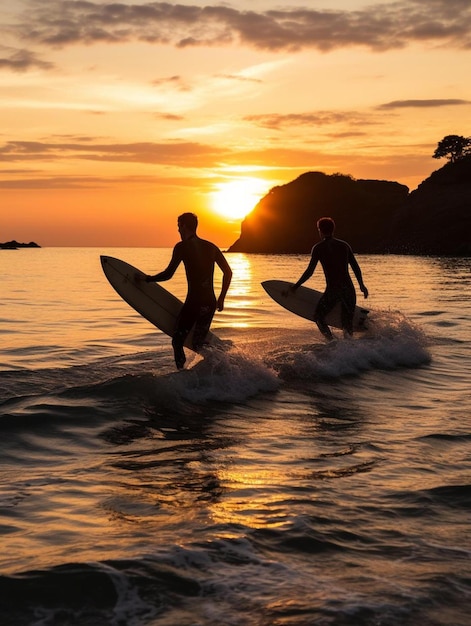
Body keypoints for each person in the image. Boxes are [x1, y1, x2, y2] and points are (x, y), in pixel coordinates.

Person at [142, 212, 232, 369]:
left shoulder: (182, 247)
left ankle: (181, 375)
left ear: (184, 226)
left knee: (177, 340)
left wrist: (147, 279)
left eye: (179, 226)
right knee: (198, 345)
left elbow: (168, 274)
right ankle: (224, 364)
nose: (178, 230)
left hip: (194, 303)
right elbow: (228, 272)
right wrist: (221, 298)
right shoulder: (211, 247)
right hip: (209, 303)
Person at [290, 216, 368, 341]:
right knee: (347, 325)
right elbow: (355, 267)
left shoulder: (318, 248)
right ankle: (351, 353)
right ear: (333, 229)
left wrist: (295, 286)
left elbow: (310, 271)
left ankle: (332, 343)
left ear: (320, 230)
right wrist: (362, 285)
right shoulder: (344, 246)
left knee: (318, 317)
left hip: (333, 290)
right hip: (349, 289)